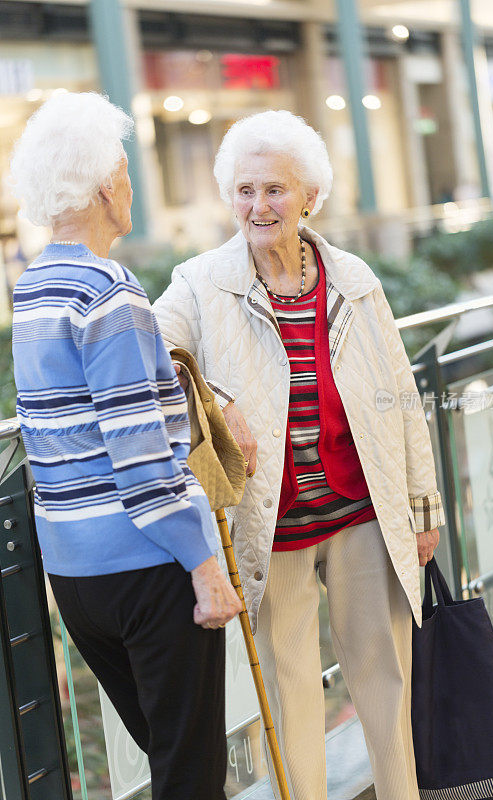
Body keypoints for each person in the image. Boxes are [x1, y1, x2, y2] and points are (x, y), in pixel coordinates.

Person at [153, 110, 445, 800]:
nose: (259, 206)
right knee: (289, 699)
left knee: (386, 680)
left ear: (310, 195)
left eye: (275, 189)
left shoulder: (352, 279)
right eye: (245, 189)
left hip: (362, 513)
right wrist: (217, 399)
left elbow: (401, 396)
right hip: (270, 524)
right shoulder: (199, 282)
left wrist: (421, 506)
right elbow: (149, 350)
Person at [10, 91, 241, 800]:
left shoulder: (33, 287)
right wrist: (202, 565)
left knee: (167, 754)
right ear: (109, 186)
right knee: (192, 769)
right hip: (148, 567)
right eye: (126, 171)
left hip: (76, 575)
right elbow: (140, 452)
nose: (131, 185)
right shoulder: (109, 292)